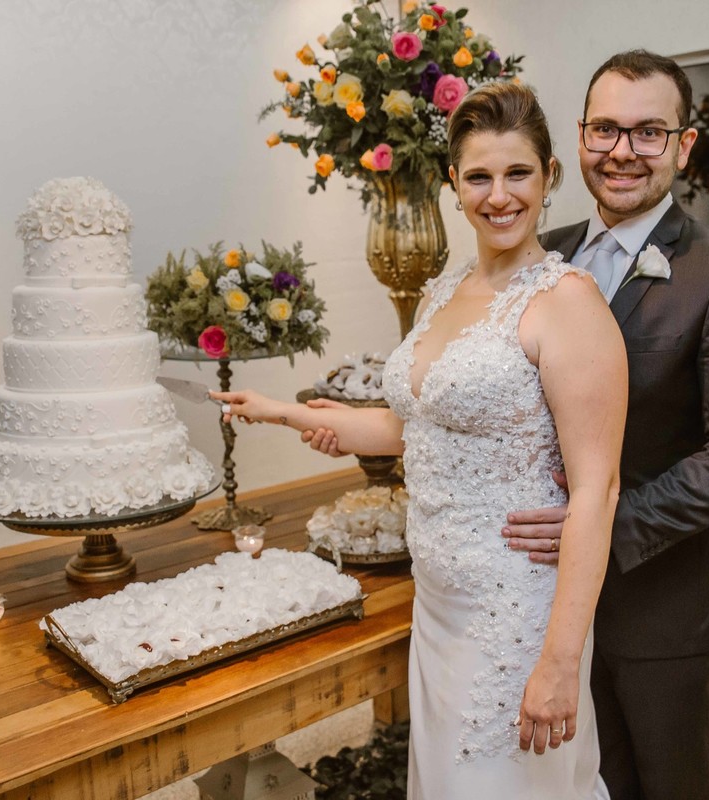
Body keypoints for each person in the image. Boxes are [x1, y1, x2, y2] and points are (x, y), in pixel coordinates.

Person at [214, 82, 624, 799]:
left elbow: (599, 489)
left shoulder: (566, 303)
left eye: (518, 173)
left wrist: (560, 661)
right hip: (437, 598)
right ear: (452, 186)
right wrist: (279, 411)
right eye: (479, 177)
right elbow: (405, 427)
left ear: (550, 175)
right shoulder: (444, 288)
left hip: (514, 608)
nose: (499, 196)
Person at [501, 51, 709, 799]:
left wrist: (600, 529)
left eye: (648, 133)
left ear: (683, 146)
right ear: (580, 136)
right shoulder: (544, 254)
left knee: (662, 786)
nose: (622, 151)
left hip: (668, 602)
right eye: (605, 130)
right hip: (544, 596)